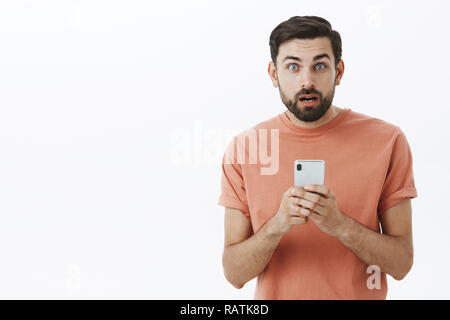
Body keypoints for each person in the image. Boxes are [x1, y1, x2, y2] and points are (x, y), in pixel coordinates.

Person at [217, 16, 418, 300]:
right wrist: (279, 223)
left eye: (320, 66)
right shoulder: (245, 148)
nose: (307, 81)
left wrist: (340, 225)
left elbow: (401, 264)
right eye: (293, 67)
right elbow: (234, 274)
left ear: (339, 71)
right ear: (274, 75)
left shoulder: (388, 141)